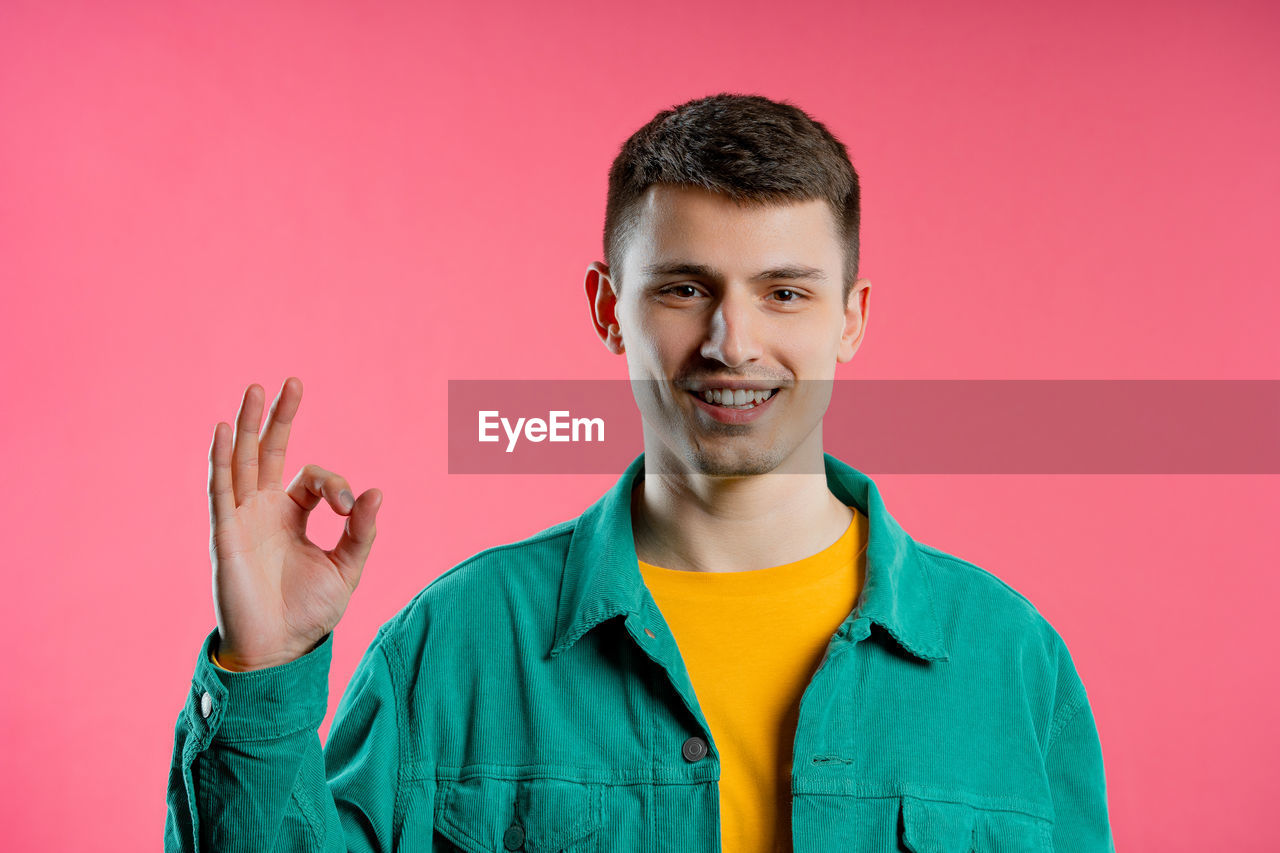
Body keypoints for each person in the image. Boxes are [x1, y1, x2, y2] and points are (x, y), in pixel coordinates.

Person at [165, 92, 1115, 852]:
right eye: (684, 288)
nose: (730, 342)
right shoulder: (455, 644)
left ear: (852, 317)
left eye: (785, 292)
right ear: (608, 306)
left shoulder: (1013, 662)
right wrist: (264, 668)